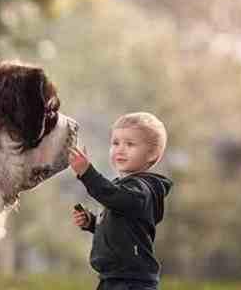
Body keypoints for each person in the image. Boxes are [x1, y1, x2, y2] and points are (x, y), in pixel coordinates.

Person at [69, 112, 173, 290]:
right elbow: (121, 228)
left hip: (133, 282)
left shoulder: (143, 189)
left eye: (130, 144)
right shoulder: (123, 189)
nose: (120, 149)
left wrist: (87, 173)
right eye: (115, 143)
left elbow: (115, 197)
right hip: (112, 278)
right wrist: (92, 222)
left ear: (152, 154)